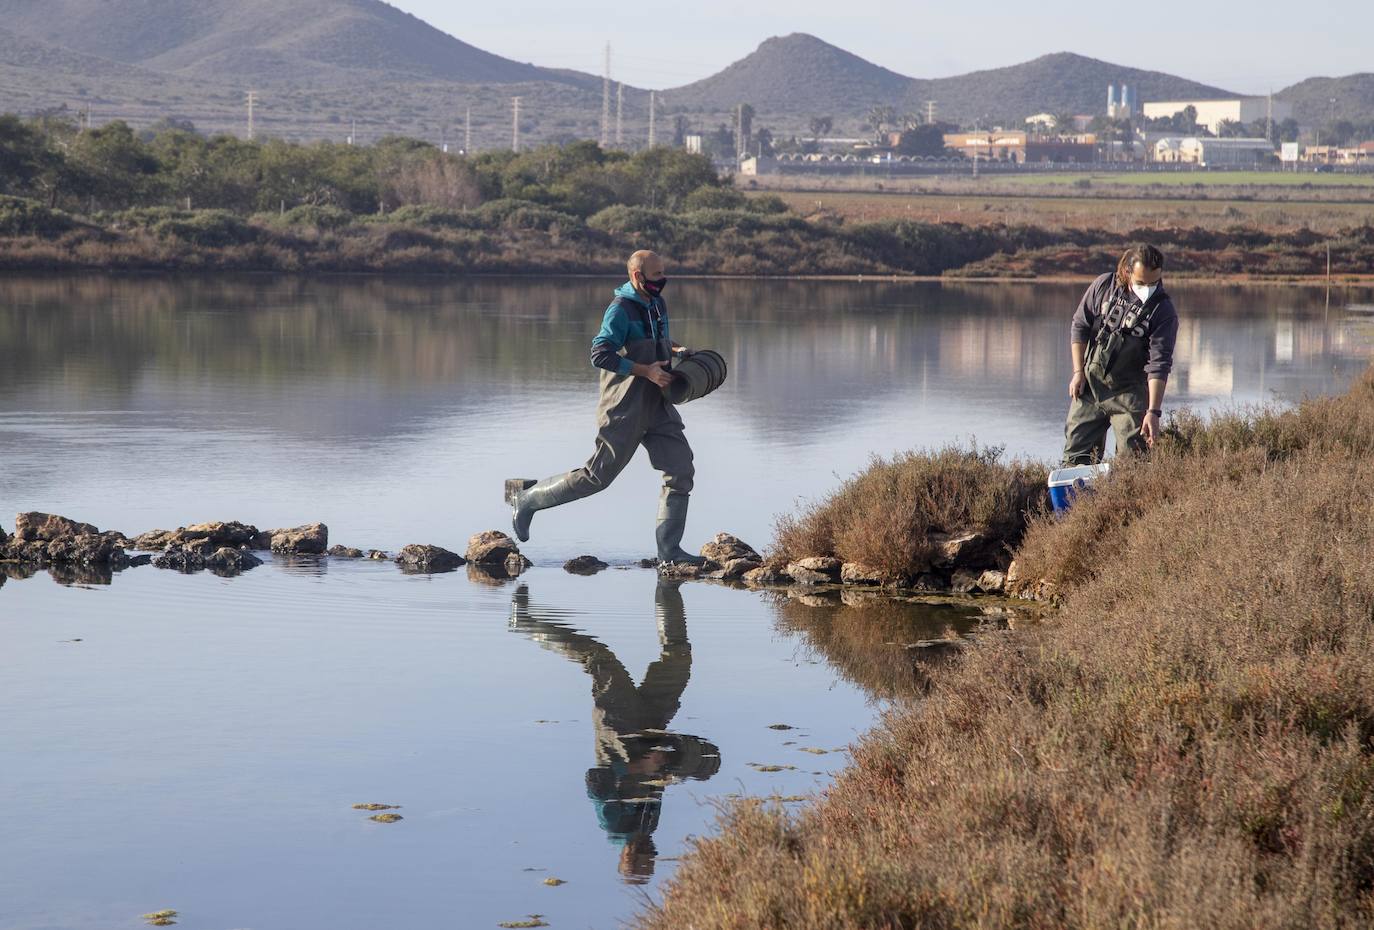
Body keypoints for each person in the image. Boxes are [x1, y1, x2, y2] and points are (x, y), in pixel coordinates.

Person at [508, 581, 720, 883]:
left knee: (599, 659)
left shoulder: (614, 825)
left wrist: (636, 767)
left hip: (619, 727)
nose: (653, 854)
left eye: (645, 859)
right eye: (653, 860)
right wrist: (669, 769)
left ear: (626, 858)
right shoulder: (648, 827)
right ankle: (668, 584)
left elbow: (596, 780)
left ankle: (525, 622)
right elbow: (655, 781)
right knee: (678, 657)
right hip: (653, 727)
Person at [505, 250, 704, 565]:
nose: (662, 281)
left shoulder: (656, 304)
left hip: (658, 404)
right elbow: (600, 354)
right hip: (624, 406)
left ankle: (670, 554)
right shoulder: (620, 310)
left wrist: (678, 349)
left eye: (663, 273)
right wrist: (646, 371)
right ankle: (526, 498)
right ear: (637, 276)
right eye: (656, 276)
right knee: (596, 477)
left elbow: (658, 339)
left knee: (681, 470)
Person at [1063, 243, 1180, 465]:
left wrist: (1153, 412)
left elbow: (1160, 364)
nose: (1148, 288)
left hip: (1130, 393)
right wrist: (1078, 372)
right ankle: (1077, 500)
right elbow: (1080, 326)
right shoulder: (1103, 286)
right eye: (1141, 283)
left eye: (1154, 283)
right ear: (1127, 271)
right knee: (1075, 457)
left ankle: (1124, 499)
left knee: (1132, 461)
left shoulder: (1164, 311)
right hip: (1091, 385)